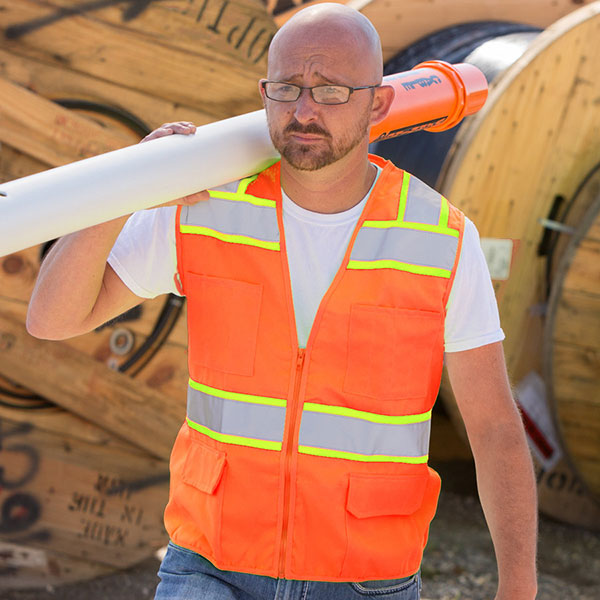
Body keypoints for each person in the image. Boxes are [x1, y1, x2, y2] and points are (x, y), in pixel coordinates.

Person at [26, 3, 538, 599]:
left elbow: (495, 427)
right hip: (210, 566)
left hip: (365, 580)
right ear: (263, 92)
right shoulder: (205, 206)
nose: (303, 110)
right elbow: (51, 319)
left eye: (330, 91)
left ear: (378, 104)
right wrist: (128, 185)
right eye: (287, 88)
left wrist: (519, 585)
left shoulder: (439, 238)